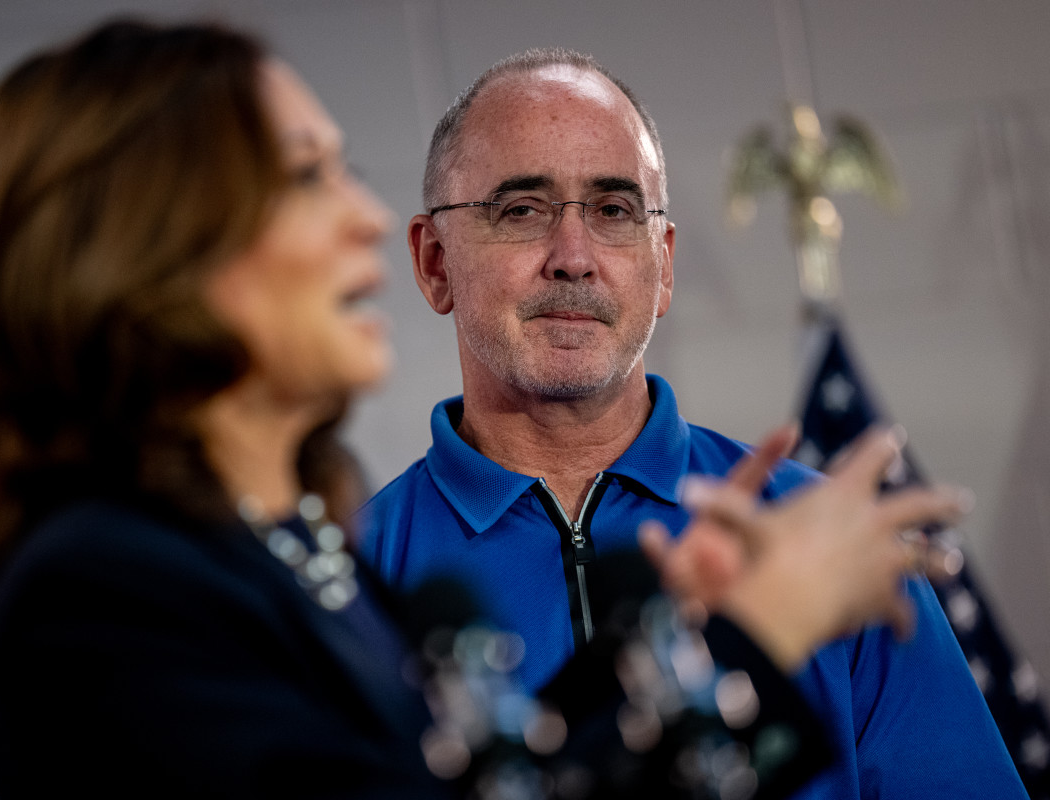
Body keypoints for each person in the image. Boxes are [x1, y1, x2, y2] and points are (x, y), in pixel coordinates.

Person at [0, 20, 972, 800]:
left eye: (612, 209)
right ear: (152, 256)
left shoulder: (300, 557)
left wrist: (675, 648)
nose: (367, 217)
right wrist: (747, 646)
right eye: (307, 177)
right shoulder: (103, 591)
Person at [357, 47, 1029, 799]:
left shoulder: (819, 542)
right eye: (522, 211)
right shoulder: (350, 591)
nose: (573, 257)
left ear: (664, 265)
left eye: (614, 211)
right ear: (434, 263)